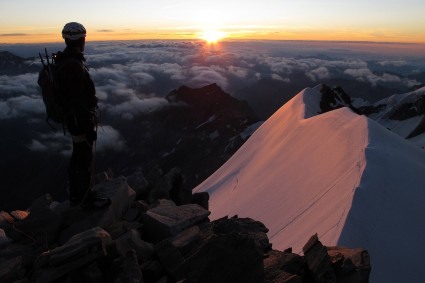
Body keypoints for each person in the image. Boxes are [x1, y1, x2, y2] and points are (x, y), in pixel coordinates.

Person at [56, 22, 109, 208]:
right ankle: (85, 199)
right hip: (79, 121)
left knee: (79, 155)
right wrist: (88, 127)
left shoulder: (67, 61)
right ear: (82, 40)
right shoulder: (73, 66)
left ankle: (76, 195)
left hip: (73, 119)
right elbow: (78, 101)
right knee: (83, 157)